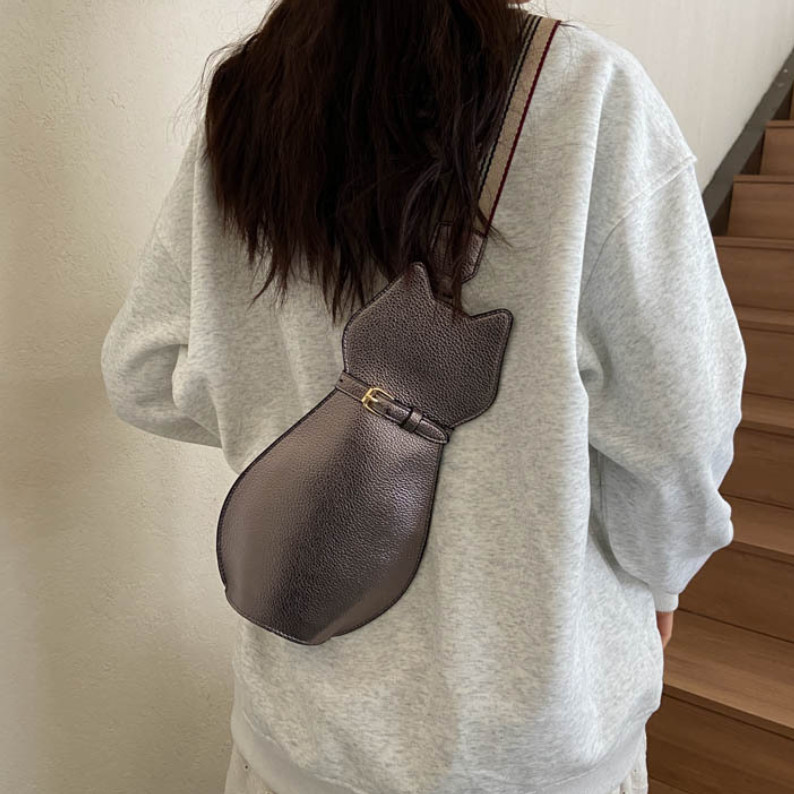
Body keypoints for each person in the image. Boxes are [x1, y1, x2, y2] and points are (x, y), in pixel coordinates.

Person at [99, 2, 747, 793]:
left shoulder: (251, 100)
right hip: (530, 747)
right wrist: (663, 576)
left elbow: (143, 370)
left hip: (297, 738)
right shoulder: (587, 94)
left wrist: (284, 401)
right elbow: (680, 432)